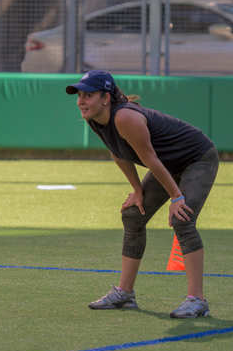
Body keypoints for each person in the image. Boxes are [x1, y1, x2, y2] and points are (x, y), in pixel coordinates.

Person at [65, 70, 219, 318]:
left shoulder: (125, 117)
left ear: (105, 98)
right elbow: (118, 152)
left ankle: (197, 300)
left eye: (88, 95)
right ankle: (125, 294)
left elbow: (150, 158)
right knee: (134, 215)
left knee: (183, 218)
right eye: (80, 95)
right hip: (168, 164)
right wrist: (137, 190)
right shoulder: (95, 118)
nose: (81, 101)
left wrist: (176, 198)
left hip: (197, 158)